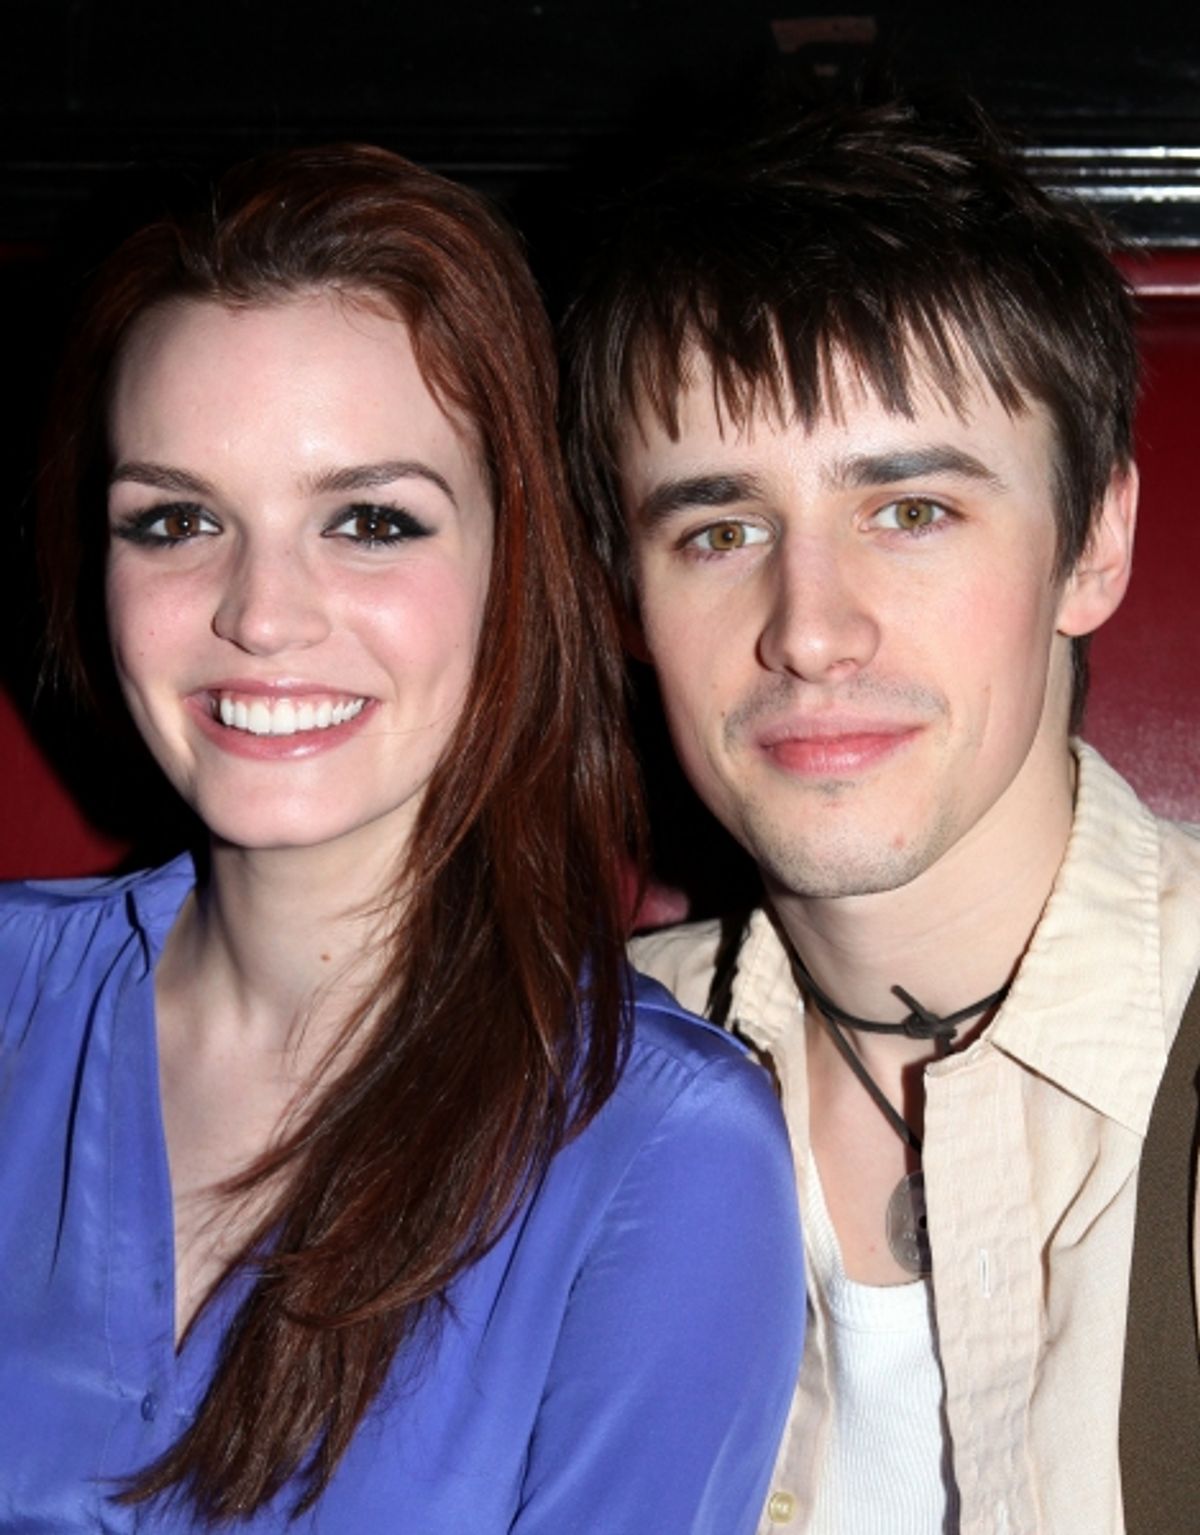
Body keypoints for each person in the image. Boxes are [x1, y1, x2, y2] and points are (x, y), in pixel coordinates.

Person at [0, 144, 804, 1531]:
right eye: (177, 519)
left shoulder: (661, 1154)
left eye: (370, 521)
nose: (261, 611)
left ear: (519, 565)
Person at [561, 94, 1200, 1534]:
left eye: (909, 510)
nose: (811, 629)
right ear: (628, 606)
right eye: (718, 530)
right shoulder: (549, 1087)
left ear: (1093, 542)